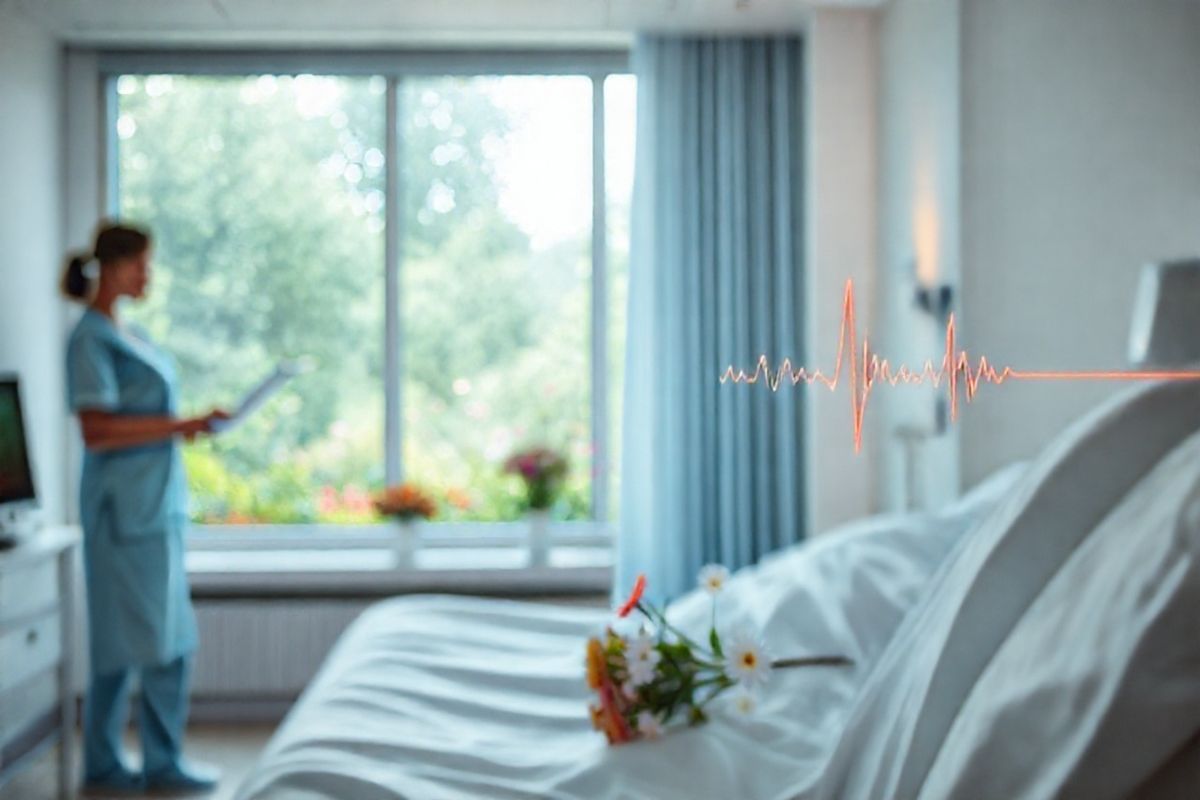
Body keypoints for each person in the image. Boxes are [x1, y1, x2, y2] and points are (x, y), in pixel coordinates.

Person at [62, 222, 228, 796]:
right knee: (127, 644)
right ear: (112, 268)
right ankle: (114, 764)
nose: (148, 275)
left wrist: (188, 428)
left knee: (170, 640)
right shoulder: (90, 339)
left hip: (153, 510)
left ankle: (156, 761)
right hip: (120, 516)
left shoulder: (129, 334)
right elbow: (97, 430)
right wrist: (183, 425)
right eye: (141, 265)